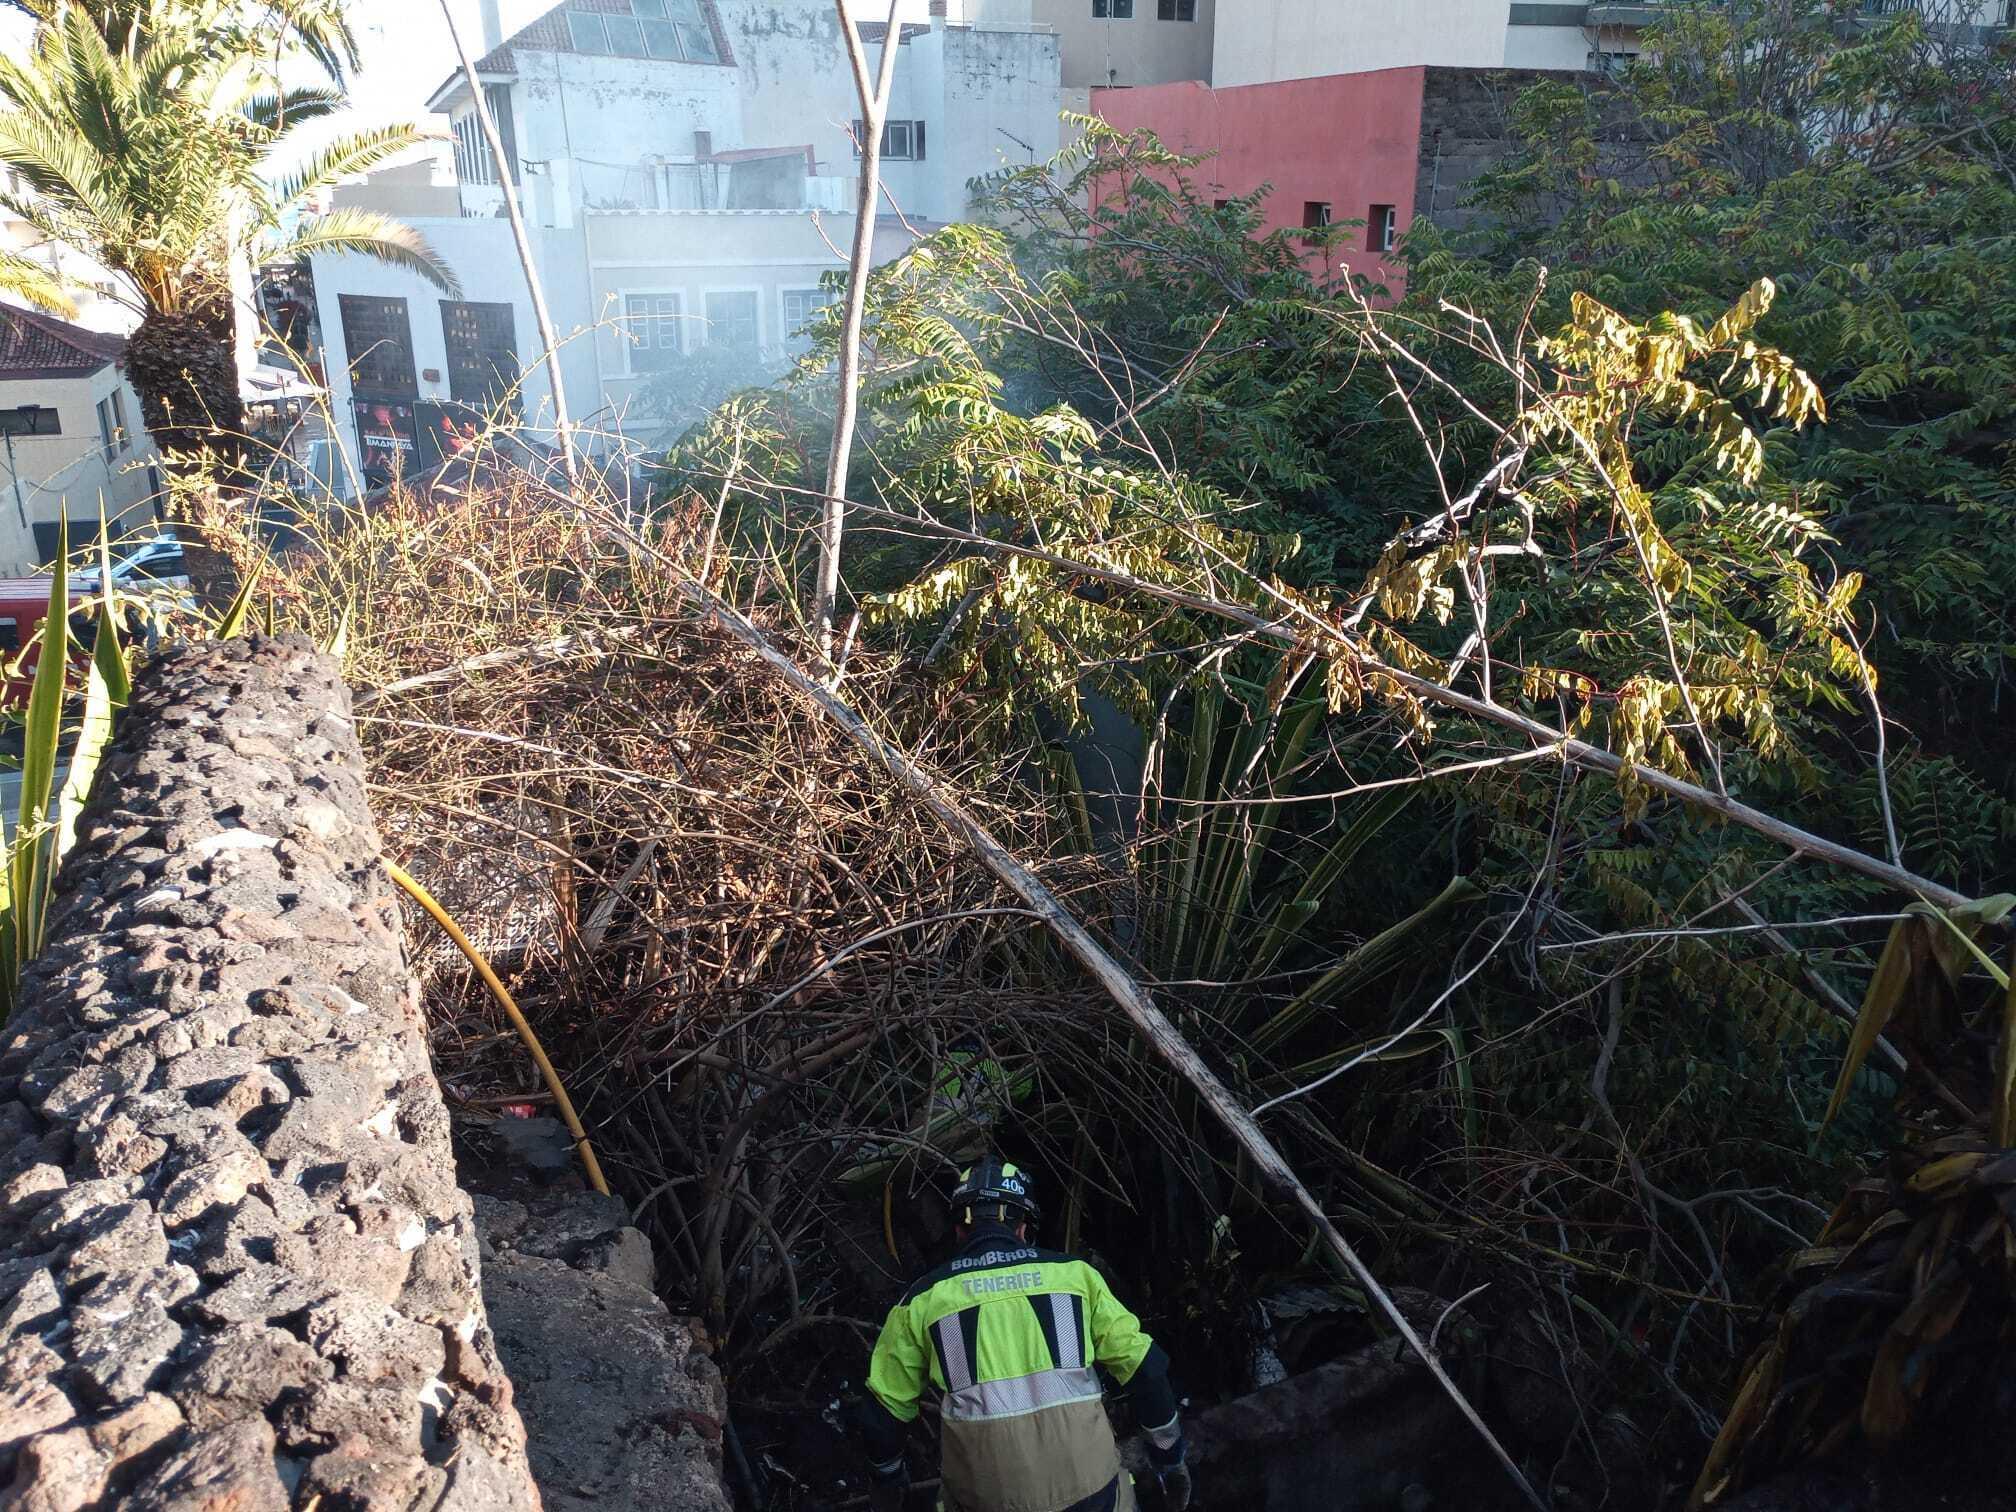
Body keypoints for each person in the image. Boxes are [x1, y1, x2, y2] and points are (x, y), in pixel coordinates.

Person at [859, 1157, 1191, 1512]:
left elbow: (882, 1415)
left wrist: (888, 1481)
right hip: (1094, 1497)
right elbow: (1146, 1372)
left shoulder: (923, 1300)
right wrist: (1170, 1458)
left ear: (959, 1231)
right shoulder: (1075, 1277)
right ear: (1022, 1229)